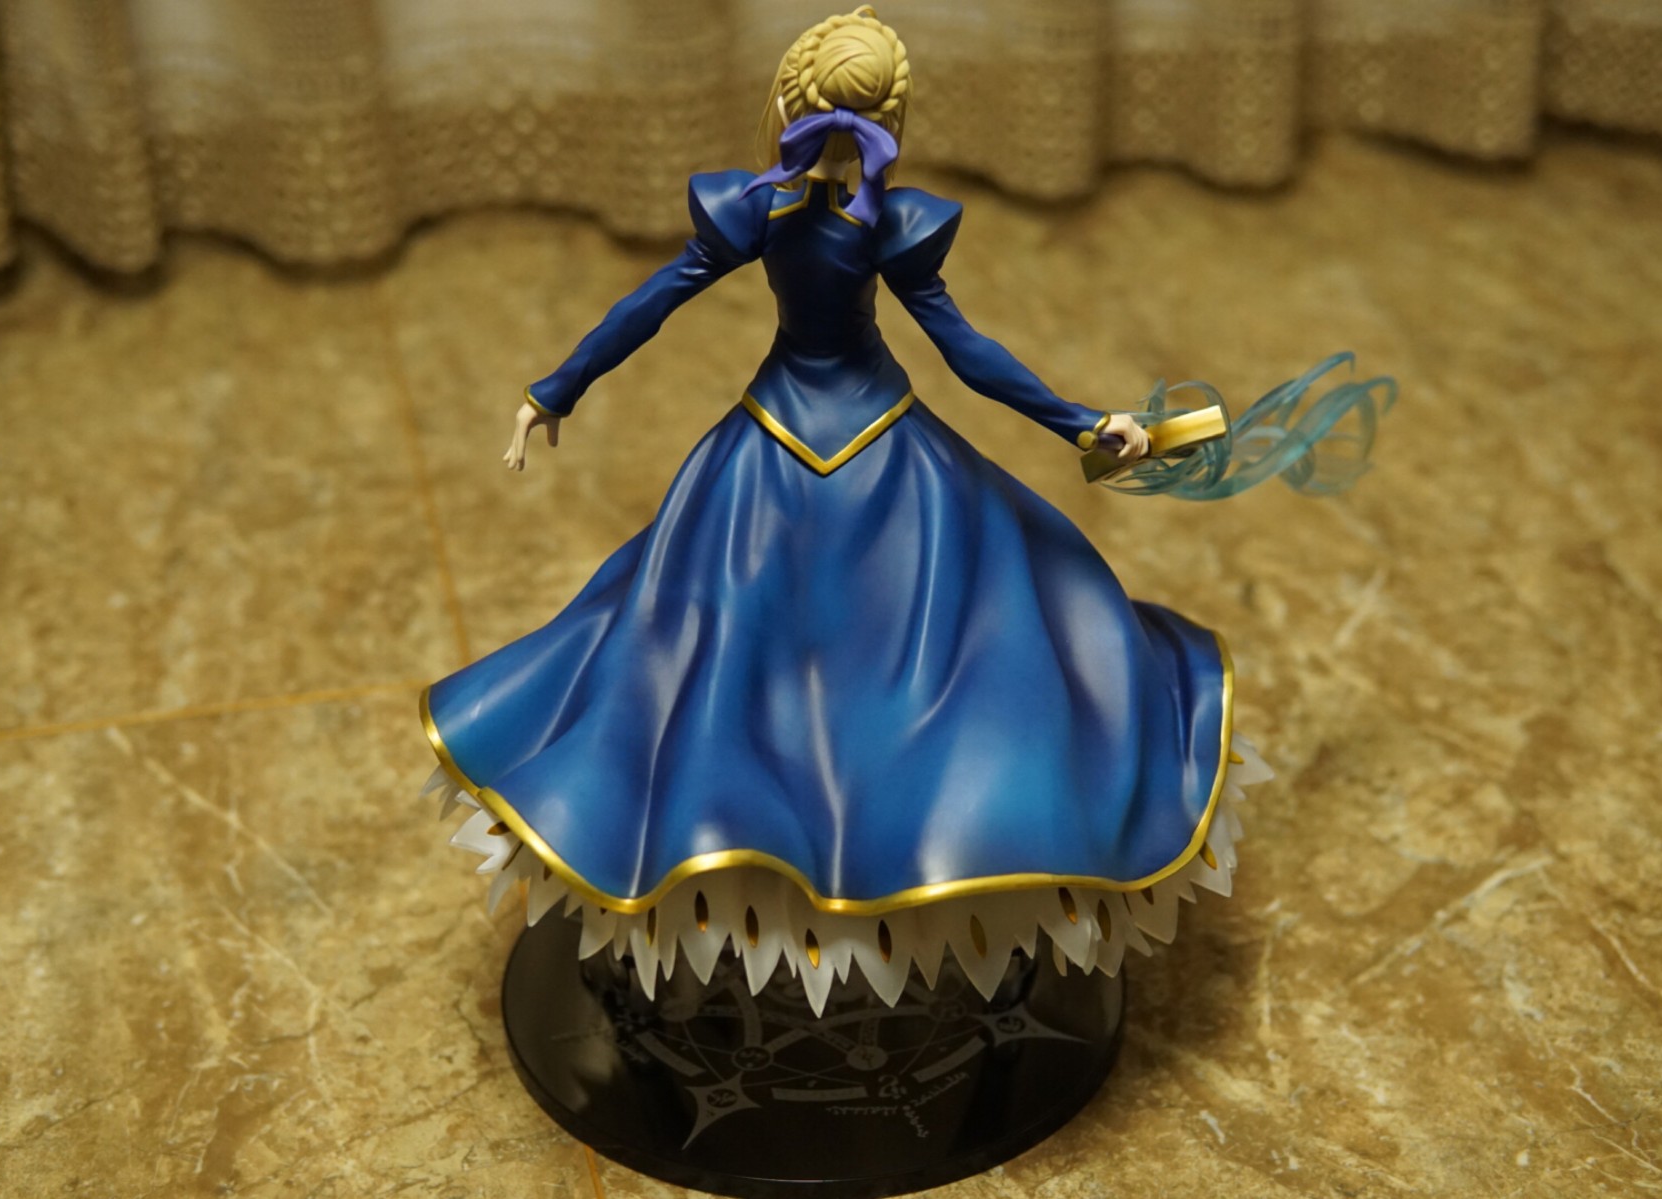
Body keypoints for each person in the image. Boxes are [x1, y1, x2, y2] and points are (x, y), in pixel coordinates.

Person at [419, 6, 1390, 1016]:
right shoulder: (873, 219)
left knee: (712, 653)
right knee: (951, 637)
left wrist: (553, 391)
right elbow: (964, 352)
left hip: (772, 442)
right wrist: (1078, 422)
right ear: (894, 119)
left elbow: (652, 303)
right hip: (875, 437)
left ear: (785, 101)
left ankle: (793, 875)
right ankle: (876, 864)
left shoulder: (761, 210)